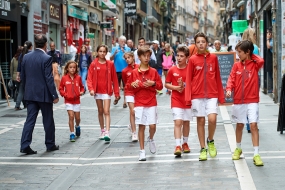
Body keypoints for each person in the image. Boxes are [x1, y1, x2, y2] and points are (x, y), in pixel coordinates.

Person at [185, 32, 225, 161]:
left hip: (212, 94)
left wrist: (221, 96)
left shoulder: (213, 58)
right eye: (198, 42)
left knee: (212, 119)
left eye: (203, 41)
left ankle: (210, 140)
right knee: (200, 121)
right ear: (195, 44)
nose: (201, 44)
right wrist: (188, 98)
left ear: (207, 43)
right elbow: (188, 79)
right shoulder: (192, 60)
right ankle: (203, 148)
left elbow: (218, 77)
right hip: (197, 95)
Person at [226, 40, 264, 166]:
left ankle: (256, 154)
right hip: (239, 100)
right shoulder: (236, 66)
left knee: (253, 125)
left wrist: (250, 54)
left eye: (240, 52)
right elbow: (231, 78)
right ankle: (238, 148)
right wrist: (229, 89)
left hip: (252, 100)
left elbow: (261, 61)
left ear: (247, 52)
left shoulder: (255, 64)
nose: (238, 55)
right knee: (240, 125)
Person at [20, 34, 59, 154]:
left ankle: (25, 144)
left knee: (30, 120)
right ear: (46, 44)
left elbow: (23, 76)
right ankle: (50, 144)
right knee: (48, 120)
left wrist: (26, 91)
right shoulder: (46, 58)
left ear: (35, 44)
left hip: (30, 93)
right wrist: (54, 95)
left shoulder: (26, 57)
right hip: (44, 95)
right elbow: (48, 78)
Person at [128, 46, 163, 161]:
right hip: (139, 102)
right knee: (141, 126)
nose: (146, 58)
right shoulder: (134, 72)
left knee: (152, 126)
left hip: (151, 101)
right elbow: (129, 87)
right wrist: (133, 85)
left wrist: (153, 83)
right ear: (139, 57)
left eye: (148, 56)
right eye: (144, 56)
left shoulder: (153, 71)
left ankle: (151, 138)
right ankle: (142, 151)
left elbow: (160, 86)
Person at [87, 45, 120, 142]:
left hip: (107, 90)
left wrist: (116, 93)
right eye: (100, 51)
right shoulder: (93, 64)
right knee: (100, 111)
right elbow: (89, 78)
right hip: (97, 91)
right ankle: (102, 130)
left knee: (106, 111)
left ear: (106, 53)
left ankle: (107, 132)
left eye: (104, 51)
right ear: (97, 52)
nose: (102, 53)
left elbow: (115, 79)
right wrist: (91, 89)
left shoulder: (110, 64)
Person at [165, 46, 191, 156]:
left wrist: (183, 85)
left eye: (182, 56)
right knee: (178, 122)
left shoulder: (190, 69)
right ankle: (177, 145)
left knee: (186, 122)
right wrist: (176, 88)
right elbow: (166, 84)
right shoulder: (172, 69)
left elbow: (193, 83)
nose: (179, 58)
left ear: (187, 57)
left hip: (187, 99)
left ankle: (185, 143)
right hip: (176, 99)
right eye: (178, 56)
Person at [59, 60, 84, 142]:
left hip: (77, 101)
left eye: (74, 67)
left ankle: (77, 126)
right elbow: (61, 88)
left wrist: (81, 92)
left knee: (77, 118)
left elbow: (82, 87)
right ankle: (72, 133)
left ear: (76, 69)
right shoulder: (64, 78)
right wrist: (65, 94)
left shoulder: (78, 78)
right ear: (67, 68)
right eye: (70, 67)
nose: (72, 69)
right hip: (68, 101)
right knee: (71, 116)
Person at [241, 28, 260, 133]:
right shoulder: (255, 48)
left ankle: (248, 124)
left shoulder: (240, 48)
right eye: (254, 34)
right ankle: (253, 123)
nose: (256, 36)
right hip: (254, 77)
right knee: (254, 101)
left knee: (246, 100)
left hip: (244, 76)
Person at [122, 52, 139, 142]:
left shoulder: (139, 67)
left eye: (129, 57)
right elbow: (126, 83)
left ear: (133, 57)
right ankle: (134, 132)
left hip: (138, 92)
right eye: (126, 58)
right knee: (132, 111)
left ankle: (131, 124)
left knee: (137, 112)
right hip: (129, 92)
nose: (127, 59)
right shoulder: (124, 71)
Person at [110, 35, 130, 106]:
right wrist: (115, 53)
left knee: (125, 86)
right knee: (116, 85)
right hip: (116, 69)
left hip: (126, 70)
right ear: (118, 41)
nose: (123, 42)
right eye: (122, 41)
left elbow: (129, 59)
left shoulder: (128, 49)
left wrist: (124, 52)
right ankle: (117, 97)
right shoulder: (114, 48)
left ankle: (125, 102)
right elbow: (111, 59)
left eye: (124, 41)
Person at [15, 41, 33, 110]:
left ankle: (17, 105)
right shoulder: (31, 54)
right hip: (31, 76)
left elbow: (19, 67)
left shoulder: (21, 55)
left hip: (23, 76)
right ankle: (30, 104)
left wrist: (17, 76)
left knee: (21, 91)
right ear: (31, 47)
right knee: (31, 90)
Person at [266, 27, 273, 93]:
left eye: (268, 33)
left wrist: (268, 39)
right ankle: (272, 88)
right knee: (270, 73)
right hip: (269, 58)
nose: (267, 34)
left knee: (272, 74)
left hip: (272, 58)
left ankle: (273, 88)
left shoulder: (272, 40)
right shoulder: (270, 40)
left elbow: (268, 46)